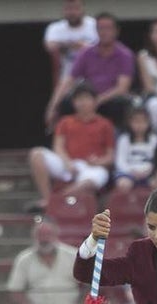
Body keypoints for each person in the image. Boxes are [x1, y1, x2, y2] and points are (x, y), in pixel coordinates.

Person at [26, 84, 115, 213]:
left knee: (90, 182)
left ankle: (56, 200)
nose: (82, 103)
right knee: (36, 154)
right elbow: (58, 147)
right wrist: (67, 163)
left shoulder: (105, 124)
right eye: (79, 99)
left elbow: (110, 156)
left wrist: (98, 162)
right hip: (68, 163)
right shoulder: (65, 122)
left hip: (92, 167)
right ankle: (47, 198)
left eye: (86, 99)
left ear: (95, 101)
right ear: (74, 103)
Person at [44, 12, 134, 129]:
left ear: (116, 31)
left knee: (120, 104)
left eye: (108, 28)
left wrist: (98, 100)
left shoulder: (125, 55)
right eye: (100, 28)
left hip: (111, 99)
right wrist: (53, 106)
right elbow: (68, 80)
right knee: (66, 103)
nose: (104, 32)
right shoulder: (85, 53)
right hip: (87, 98)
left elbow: (122, 88)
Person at [6, 217, 82, 304]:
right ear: (34, 237)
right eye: (40, 235)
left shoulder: (74, 256)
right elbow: (15, 290)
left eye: (48, 235)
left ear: (56, 235)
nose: (44, 239)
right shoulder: (24, 259)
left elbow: (90, 284)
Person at [43, 0, 97, 82]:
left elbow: (104, 46)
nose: (72, 12)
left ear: (83, 9)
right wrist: (71, 44)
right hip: (67, 76)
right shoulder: (55, 28)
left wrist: (84, 47)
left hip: (93, 74)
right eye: (68, 9)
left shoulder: (94, 25)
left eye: (76, 8)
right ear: (63, 10)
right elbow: (49, 46)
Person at [113, 106, 157, 191]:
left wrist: (148, 171)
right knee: (123, 184)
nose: (139, 125)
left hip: (149, 172)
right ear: (129, 123)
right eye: (136, 122)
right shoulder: (124, 139)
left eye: (142, 122)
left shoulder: (154, 139)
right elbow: (120, 160)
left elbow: (156, 160)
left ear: (148, 123)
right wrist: (131, 171)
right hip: (128, 172)